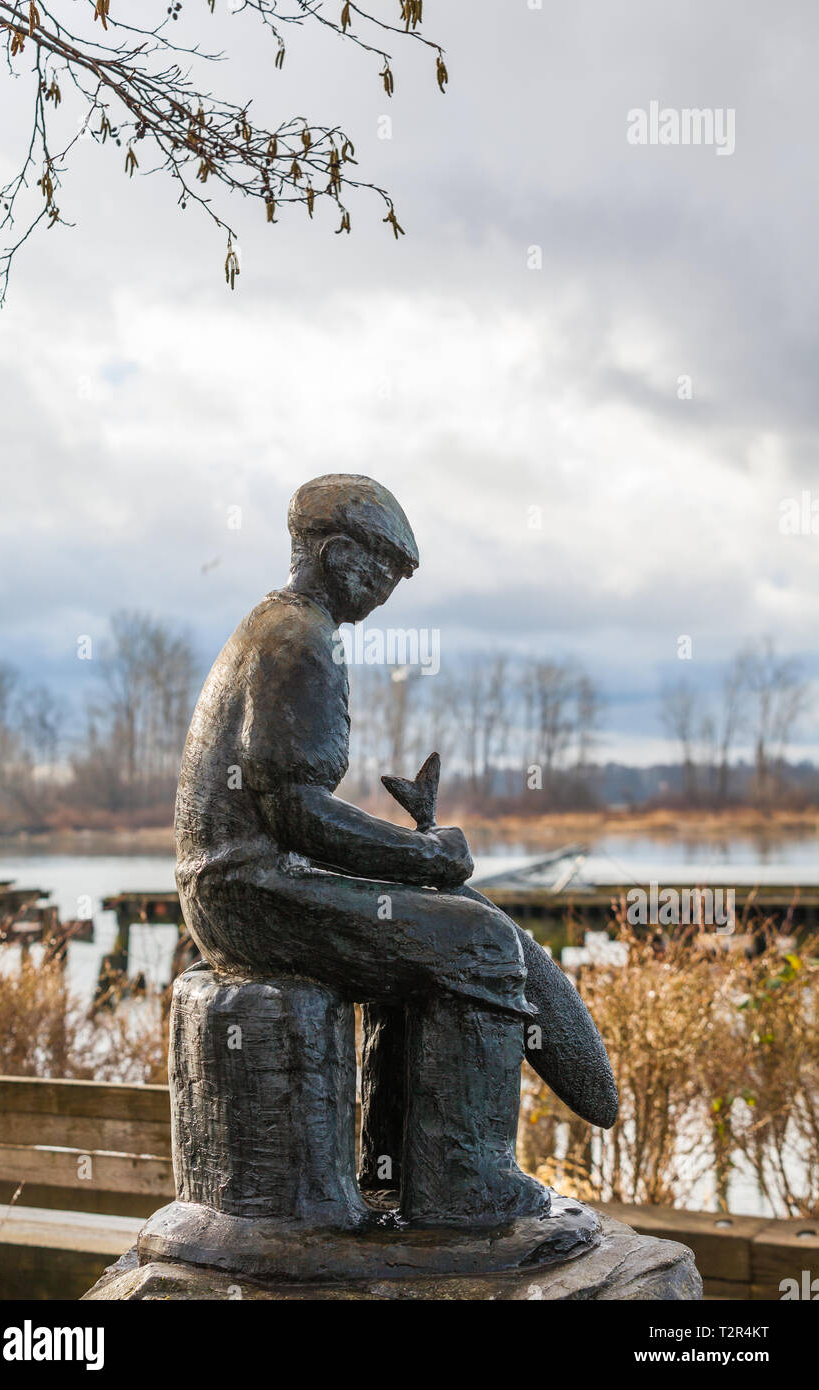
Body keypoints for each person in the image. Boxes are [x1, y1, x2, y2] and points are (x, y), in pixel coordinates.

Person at [175, 474, 617, 1226]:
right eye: (381, 568)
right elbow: (295, 811)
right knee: (479, 942)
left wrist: (409, 868)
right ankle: (465, 1185)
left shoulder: (280, 627)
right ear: (336, 552)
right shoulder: (298, 640)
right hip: (248, 896)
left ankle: (394, 1166)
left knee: (422, 932)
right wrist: (426, 861)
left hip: (245, 885)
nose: (387, 589)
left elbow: (291, 808)